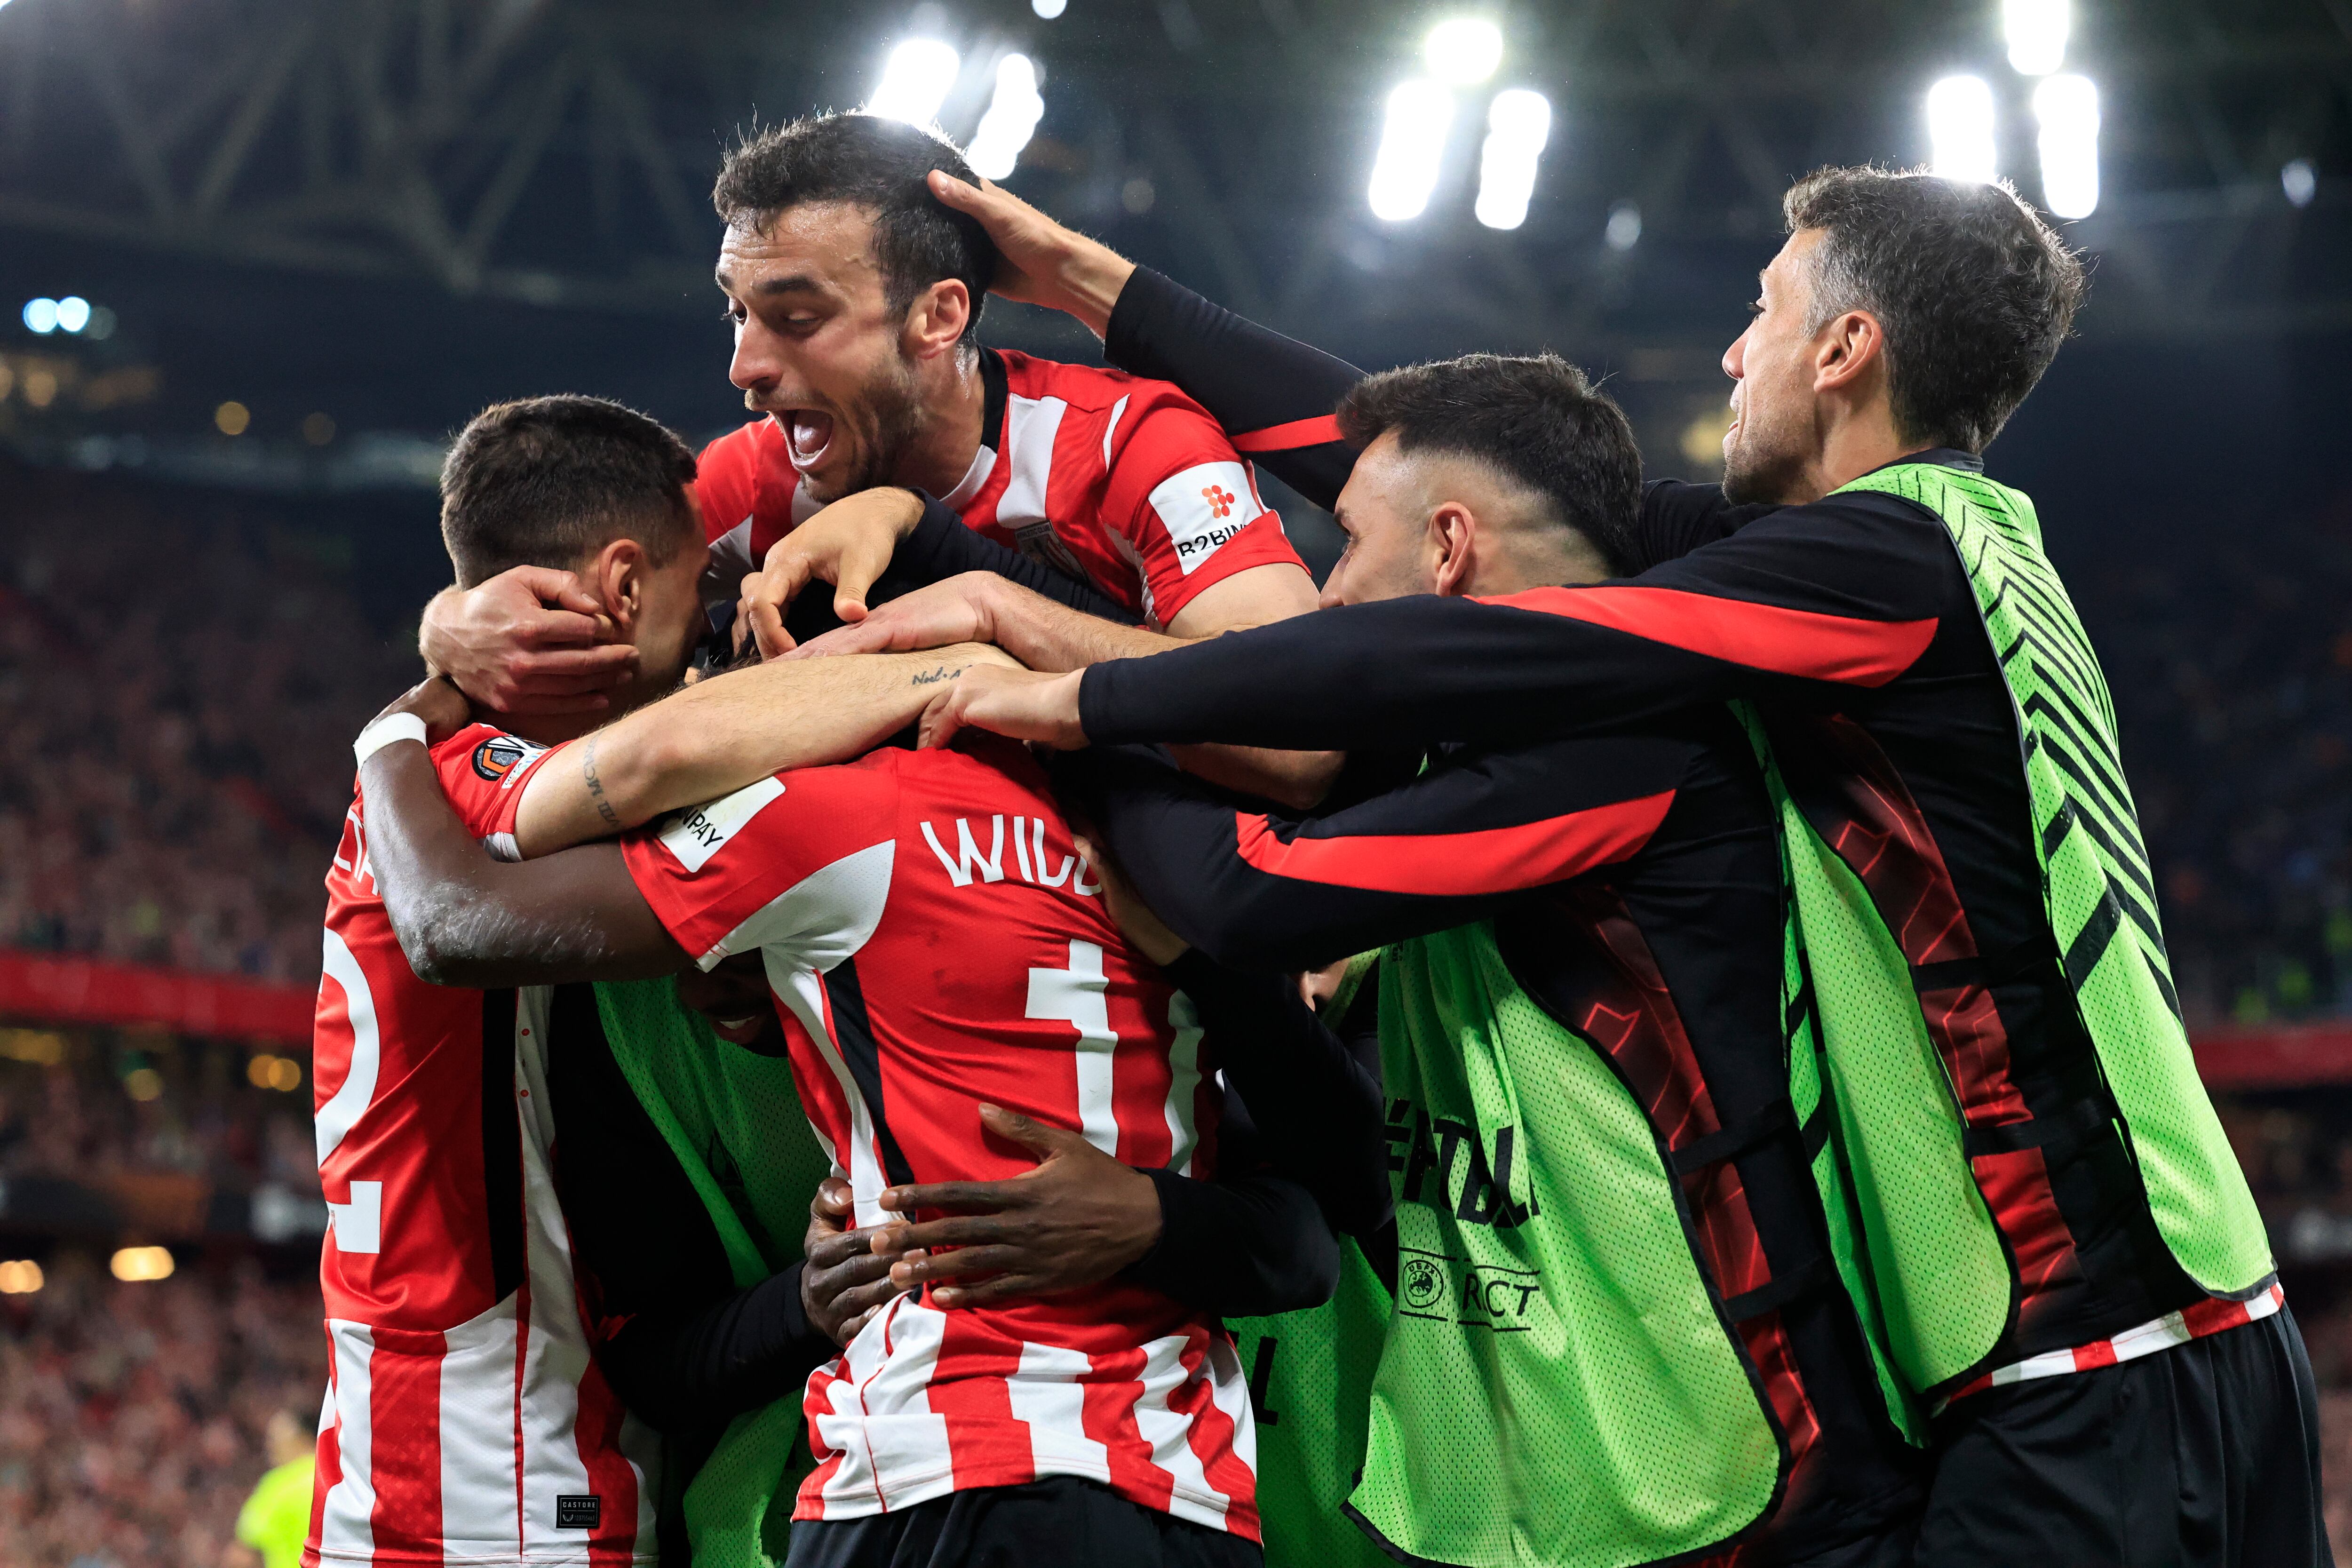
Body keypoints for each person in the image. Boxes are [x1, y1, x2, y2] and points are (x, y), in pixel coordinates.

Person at [901, 168, 2326, 1564]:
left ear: (1843, 349)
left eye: (1761, 312)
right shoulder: (1927, 544)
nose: (1733, 352)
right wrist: (1088, 284)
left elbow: (1443, 638)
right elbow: (1460, 480)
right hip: (2187, 1313)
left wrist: (1074, 690)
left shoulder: (1876, 570)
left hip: (2087, 1353)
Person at [816, 352, 1931, 1568]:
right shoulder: (1450, 750)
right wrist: (956, 561)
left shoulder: (1625, 747)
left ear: (1448, 546)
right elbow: (1359, 1162)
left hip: (1741, 1475)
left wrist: (1051, 714)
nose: (1327, 591)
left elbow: (1244, 890)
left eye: (1347, 542)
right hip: (1533, 1487)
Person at [344, 696, 1347, 1568]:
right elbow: (649, 1358)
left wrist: (1144, 1217)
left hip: (1008, 1477)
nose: (712, 975)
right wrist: (801, 1305)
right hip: (934, 1488)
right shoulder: (641, 1032)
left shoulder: (880, 849)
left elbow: (1311, 1233)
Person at [310, 393, 1033, 1567]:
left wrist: (429, 662)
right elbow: (672, 756)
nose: (709, 632)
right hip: (494, 1476)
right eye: (700, 590)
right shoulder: (465, 783)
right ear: (623, 583)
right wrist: (967, 658)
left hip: (440, 1451)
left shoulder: (443, 790)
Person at [416, 111, 1319, 726]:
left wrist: (994, 613)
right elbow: (571, 571)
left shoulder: (1135, 443)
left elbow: (1300, 733)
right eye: (738, 312)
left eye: (797, 317)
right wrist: (451, 626)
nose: (744, 368)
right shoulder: (760, 475)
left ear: (938, 317)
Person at [227, 1408, 313, 1568]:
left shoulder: (278, 1485)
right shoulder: (338, 1477)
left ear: (302, 1439)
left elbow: (243, 1557)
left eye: (275, 1440)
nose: (269, 1447)